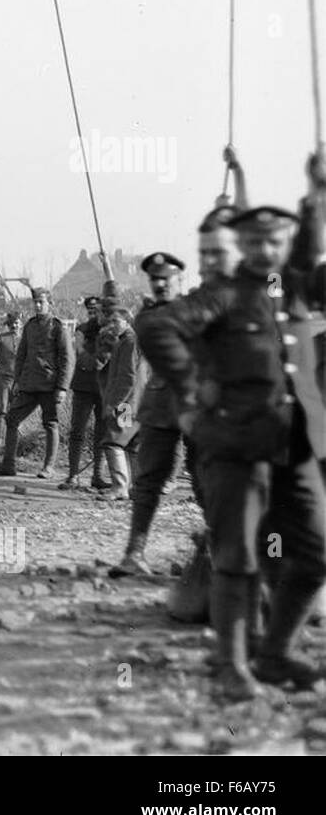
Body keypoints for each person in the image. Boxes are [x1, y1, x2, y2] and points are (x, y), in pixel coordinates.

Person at [136, 195, 326, 702]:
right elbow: (157, 326)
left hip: (293, 448)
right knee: (238, 558)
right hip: (236, 446)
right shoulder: (226, 294)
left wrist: (316, 196)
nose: (266, 249)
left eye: (275, 240)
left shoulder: (292, 286)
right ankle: (232, 665)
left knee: (313, 552)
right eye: (255, 240)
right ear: (242, 245)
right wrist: (193, 391)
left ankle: (276, 651)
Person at [110, 252, 192, 575]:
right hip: (161, 408)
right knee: (147, 482)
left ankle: (214, 554)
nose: (159, 285)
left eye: (166, 279)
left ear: (179, 280)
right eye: (154, 280)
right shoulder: (148, 318)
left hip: (199, 408)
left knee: (207, 482)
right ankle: (134, 553)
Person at [0, 287, 72, 479]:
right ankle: (8, 464)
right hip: (29, 385)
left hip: (50, 385)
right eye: (35, 302)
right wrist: (17, 381)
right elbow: (22, 356)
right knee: (11, 419)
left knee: (50, 423)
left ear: (50, 303)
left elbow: (67, 358)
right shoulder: (30, 326)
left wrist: (62, 387)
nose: (38, 305)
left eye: (42, 302)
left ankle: (49, 467)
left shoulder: (58, 327)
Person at [63, 295, 108, 490]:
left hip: (104, 389)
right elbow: (79, 354)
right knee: (77, 431)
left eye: (96, 310)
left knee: (102, 432)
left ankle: (98, 475)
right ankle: (73, 475)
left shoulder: (109, 331)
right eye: (89, 311)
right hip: (83, 386)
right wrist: (97, 362)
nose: (92, 313)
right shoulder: (81, 330)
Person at [96, 301, 139, 501]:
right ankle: (136, 488)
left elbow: (128, 377)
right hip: (133, 402)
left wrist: (114, 403)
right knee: (131, 445)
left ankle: (120, 487)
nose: (112, 324)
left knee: (113, 441)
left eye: (116, 321)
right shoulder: (126, 341)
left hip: (125, 405)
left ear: (127, 321)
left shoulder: (129, 342)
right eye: (111, 321)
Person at [0, 312, 20, 442]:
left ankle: (14, 438)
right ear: (8, 325)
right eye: (12, 324)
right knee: (2, 407)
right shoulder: (1, 338)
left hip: (20, 379)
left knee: (17, 408)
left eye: (17, 323)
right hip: (5, 378)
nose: (15, 326)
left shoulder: (25, 339)